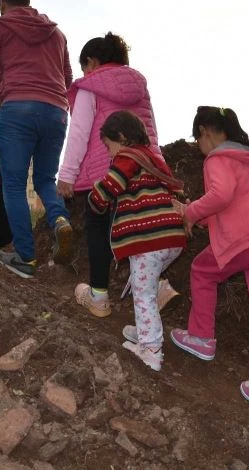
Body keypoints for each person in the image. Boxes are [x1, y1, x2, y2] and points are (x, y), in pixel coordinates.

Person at [170, 106, 249, 419]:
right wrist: (195, 213)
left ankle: (201, 338)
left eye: (199, 137)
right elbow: (232, 206)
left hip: (245, 239)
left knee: (202, 271)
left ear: (207, 131)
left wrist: (190, 212)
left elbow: (221, 196)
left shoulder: (219, 158)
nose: (199, 145)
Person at [57, 32, 177, 316]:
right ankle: (159, 286)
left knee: (99, 230)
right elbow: (151, 132)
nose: (85, 73)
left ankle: (98, 296)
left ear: (92, 61)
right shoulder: (140, 88)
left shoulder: (90, 86)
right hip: (144, 170)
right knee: (140, 227)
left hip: (105, 171)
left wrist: (67, 174)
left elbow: (80, 132)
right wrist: (158, 169)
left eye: (85, 66)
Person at [0, 0, 74, 278]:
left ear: (2, 3)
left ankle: (25, 257)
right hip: (56, 111)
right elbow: (68, 77)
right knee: (46, 178)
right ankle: (60, 219)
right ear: (29, 2)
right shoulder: (57, 34)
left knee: (13, 183)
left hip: (17, 108)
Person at [86, 110, 186, 371]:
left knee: (142, 293)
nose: (109, 154)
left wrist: (94, 199)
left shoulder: (128, 157)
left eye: (109, 146)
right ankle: (146, 329)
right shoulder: (152, 159)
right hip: (172, 237)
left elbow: (110, 186)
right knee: (145, 283)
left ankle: (151, 349)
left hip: (149, 239)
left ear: (121, 137)